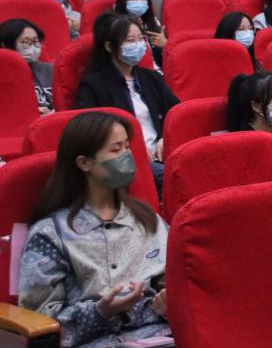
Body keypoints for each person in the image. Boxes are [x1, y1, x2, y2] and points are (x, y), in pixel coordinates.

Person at [19, 111, 172, 346]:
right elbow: (40, 325)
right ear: (84, 163)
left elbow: (177, 281)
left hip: (161, 337)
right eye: (115, 150)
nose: (127, 156)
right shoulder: (51, 234)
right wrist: (102, 311)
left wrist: (167, 303)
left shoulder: (147, 219)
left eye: (127, 147)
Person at [74, 14, 178, 186]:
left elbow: (176, 114)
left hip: (163, 154)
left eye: (141, 39)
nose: (138, 45)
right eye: (130, 41)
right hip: (126, 159)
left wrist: (165, 138)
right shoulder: (94, 85)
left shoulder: (152, 78)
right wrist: (133, 148)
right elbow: (88, 130)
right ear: (109, 47)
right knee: (174, 177)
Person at [0, 18, 54, 114]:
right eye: (26, 42)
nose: (33, 47)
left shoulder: (51, 70)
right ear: (5, 45)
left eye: (36, 41)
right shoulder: (3, 75)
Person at [114, 0, 166, 67]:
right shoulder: (115, 24)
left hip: (159, 70)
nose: (139, 2)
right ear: (122, 1)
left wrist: (165, 46)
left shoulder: (152, 21)